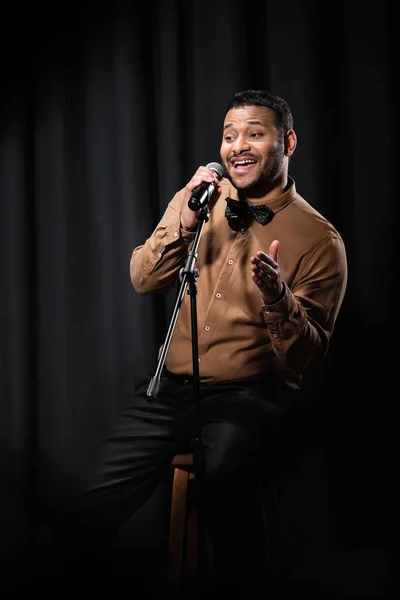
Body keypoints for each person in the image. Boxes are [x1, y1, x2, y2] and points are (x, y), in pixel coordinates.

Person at [54, 89, 347, 595]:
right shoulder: (199, 198)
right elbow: (144, 279)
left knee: (223, 495)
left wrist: (278, 298)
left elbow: (308, 353)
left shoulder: (321, 240)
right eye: (230, 135)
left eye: (255, 133)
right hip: (169, 389)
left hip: (251, 394)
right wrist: (184, 222)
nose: (238, 146)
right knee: (85, 507)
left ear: (288, 142)